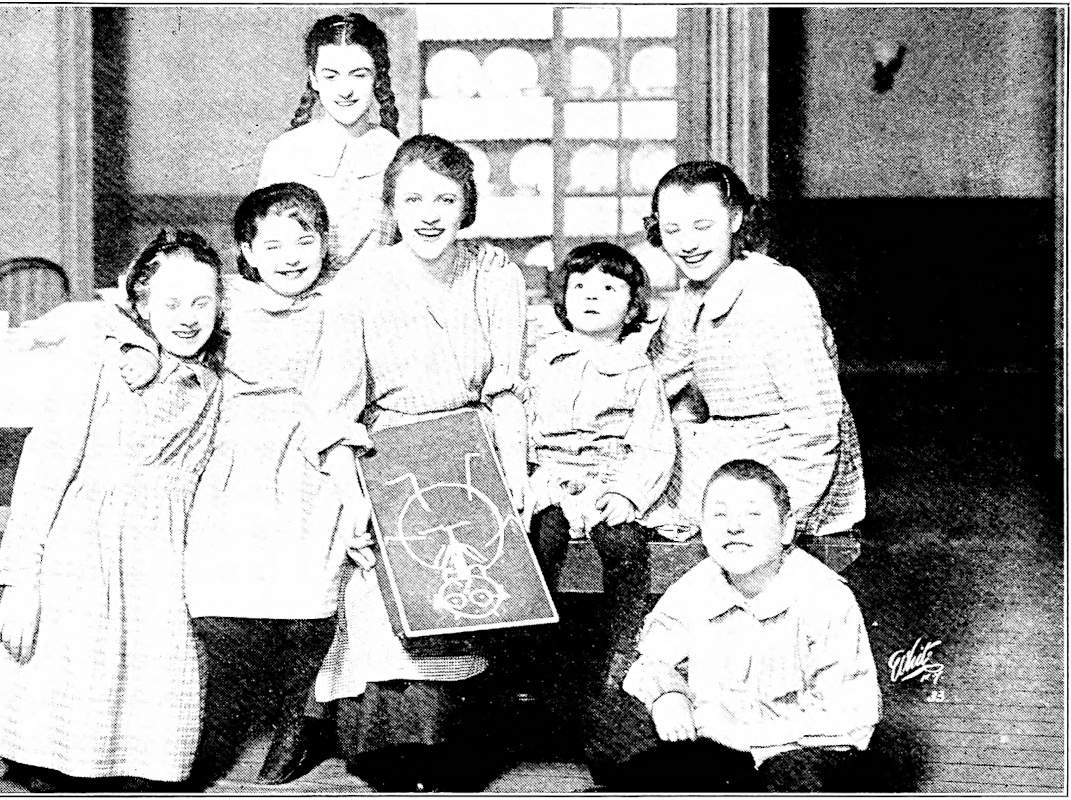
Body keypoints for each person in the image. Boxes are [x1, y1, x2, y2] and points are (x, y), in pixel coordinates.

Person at [306, 133, 528, 792]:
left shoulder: (496, 273)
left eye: (445, 199)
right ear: (391, 206)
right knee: (380, 573)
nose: (429, 215)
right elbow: (333, 413)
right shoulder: (360, 283)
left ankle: (461, 741)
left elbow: (507, 391)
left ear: (467, 205)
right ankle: (394, 744)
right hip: (389, 452)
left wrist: (514, 476)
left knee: (485, 566)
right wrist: (354, 499)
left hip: (477, 447)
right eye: (413, 200)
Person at [0, 230, 227, 791]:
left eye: (202, 302)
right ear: (140, 302)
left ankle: (132, 765)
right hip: (82, 542)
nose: (188, 317)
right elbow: (45, 468)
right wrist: (21, 581)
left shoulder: (212, 378)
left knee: (153, 694)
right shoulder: (104, 356)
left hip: (162, 551)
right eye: (171, 303)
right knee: (69, 668)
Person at [174, 184, 371, 787]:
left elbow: (337, 405)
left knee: (310, 594)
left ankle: (297, 720)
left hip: (307, 457)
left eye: (304, 241)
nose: (291, 257)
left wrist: (349, 491)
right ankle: (215, 723)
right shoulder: (224, 300)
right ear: (247, 252)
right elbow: (141, 307)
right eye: (273, 244)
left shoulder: (339, 308)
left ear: (324, 245)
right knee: (215, 597)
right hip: (225, 455)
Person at [586, 459, 881, 792]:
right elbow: (650, 662)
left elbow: (852, 720)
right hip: (713, 746)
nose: (734, 527)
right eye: (720, 515)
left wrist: (745, 736)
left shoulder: (825, 596)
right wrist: (667, 695)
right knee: (610, 721)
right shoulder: (694, 586)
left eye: (753, 514)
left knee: (799, 777)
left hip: (787, 747)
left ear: (786, 528)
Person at [645, 160, 865, 538]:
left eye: (702, 226)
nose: (687, 244)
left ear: (735, 220)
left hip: (787, 463)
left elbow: (816, 423)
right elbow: (655, 381)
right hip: (723, 446)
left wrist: (782, 509)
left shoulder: (779, 291)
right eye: (672, 229)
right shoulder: (689, 296)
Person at [523, 242, 677, 714]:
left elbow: (653, 443)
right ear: (562, 300)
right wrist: (533, 481)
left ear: (631, 308)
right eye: (579, 286)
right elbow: (518, 427)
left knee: (624, 545)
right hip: (548, 477)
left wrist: (626, 493)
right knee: (540, 541)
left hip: (608, 478)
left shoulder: (638, 370)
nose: (591, 296)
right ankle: (533, 662)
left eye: (608, 288)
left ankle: (621, 655)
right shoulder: (540, 361)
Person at [254, 13, 399, 272]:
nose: (345, 90)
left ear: (377, 77)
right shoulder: (284, 152)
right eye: (331, 76)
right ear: (314, 78)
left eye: (359, 75)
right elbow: (265, 246)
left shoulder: (395, 152)